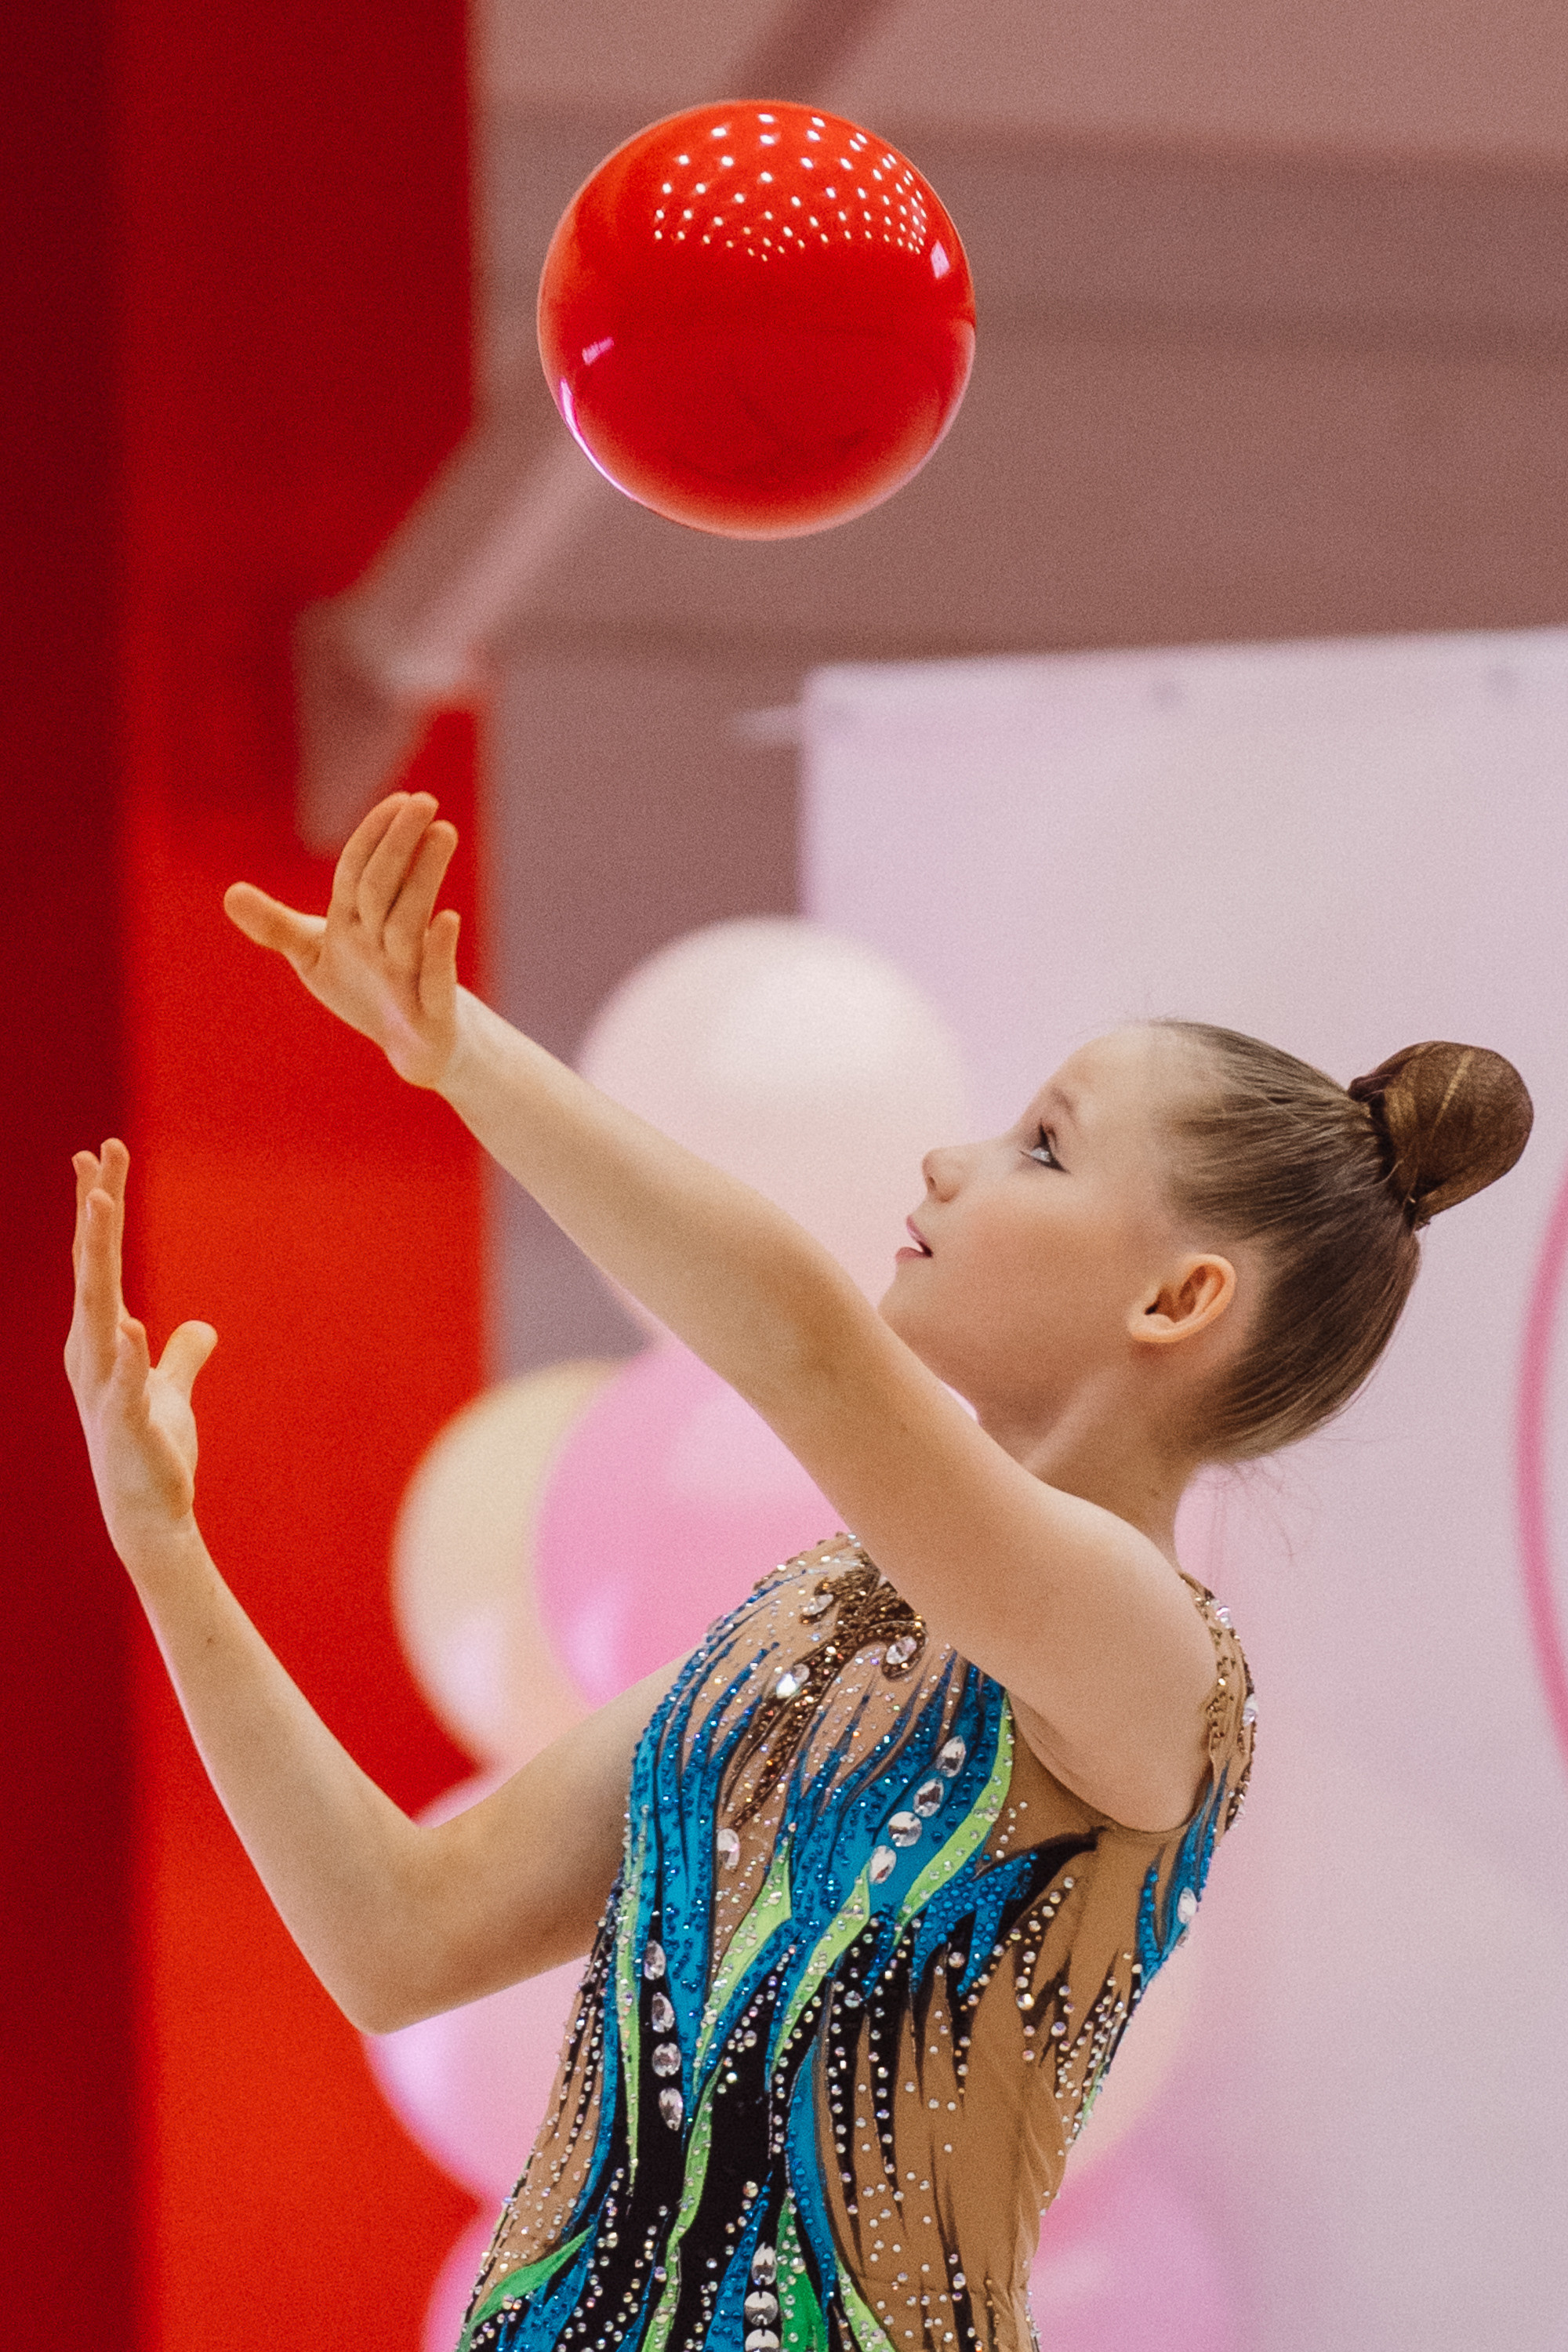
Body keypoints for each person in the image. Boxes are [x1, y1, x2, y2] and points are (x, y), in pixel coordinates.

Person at [65, 790, 1533, 2352]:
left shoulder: (1151, 1656)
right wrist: (166, 1553)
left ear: (1177, 1298)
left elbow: (802, 1347)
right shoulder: (804, 1627)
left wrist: (457, 1054)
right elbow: (398, 1933)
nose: (949, 1162)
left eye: (1040, 1147)